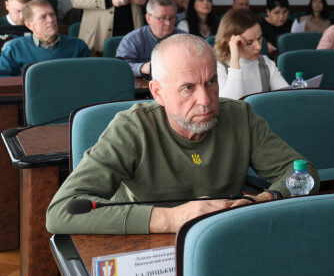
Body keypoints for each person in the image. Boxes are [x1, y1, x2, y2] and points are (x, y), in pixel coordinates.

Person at [45, 34, 319, 235]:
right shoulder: (132, 128)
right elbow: (61, 212)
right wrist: (172, 218)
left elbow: (305, 174)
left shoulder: (240, 116)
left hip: (222, 240)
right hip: (146, 248)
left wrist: (261, 201)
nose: (206, 100)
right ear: (157, 93)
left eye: (211, 82)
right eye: (188, 88)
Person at [0, 0, 90, 76]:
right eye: (43, 17)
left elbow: (89, 76)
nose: (51, 20)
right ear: (29, 25)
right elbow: (3, 79)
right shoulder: (14, 48)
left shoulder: (78, 45)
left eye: (52, 14)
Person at [215, 9, 288, 99]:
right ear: (231, 43)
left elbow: (286, 97)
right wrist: (234, 58)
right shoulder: (219, 67)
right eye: (249, 42)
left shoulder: (265, 63)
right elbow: (231, 104)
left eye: (259, 38)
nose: (258, 47)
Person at [116, 0, 185, 77]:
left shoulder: (184, 39)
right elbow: (121, 67)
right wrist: (142, 68)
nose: (168, 23)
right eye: (162, 18)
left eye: (172, 18)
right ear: (148, 18)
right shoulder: (132, 40)